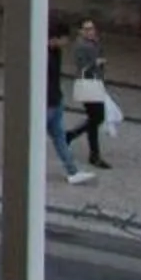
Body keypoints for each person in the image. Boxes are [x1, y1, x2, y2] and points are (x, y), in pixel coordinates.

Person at [46, 18, 97, 185]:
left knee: (60, 137)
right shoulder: (43, 54)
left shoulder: (54, 52)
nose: (67, 42)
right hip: (46, 105)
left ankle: (72, 171)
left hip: (55, 102)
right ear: (56, 38)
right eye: (64, 39)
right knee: (37, 138)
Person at [72, 17, 111, 169]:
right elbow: (82, 65)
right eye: (86, 29)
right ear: (81, 31)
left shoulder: (95, 43)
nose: (90, 32)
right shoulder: (81, 46)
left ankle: (74, 137)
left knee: (95, 118)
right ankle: (93, 153)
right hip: (88, 85)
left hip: (95, 84)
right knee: (97, 117)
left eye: (92, 28)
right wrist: (96, 63)